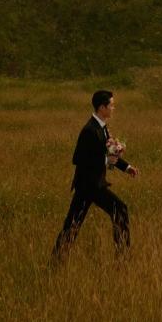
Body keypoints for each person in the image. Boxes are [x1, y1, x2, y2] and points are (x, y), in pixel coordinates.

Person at [52, 89, 137, 264]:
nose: (113, 108)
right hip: (89, 186)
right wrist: (105, 159)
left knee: (72, 225)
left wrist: (126, 167)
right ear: (102, 107)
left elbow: (109, 154)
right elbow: (78, 158)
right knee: (120, 210)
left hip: (92, 185)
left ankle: (55, 262)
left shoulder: (102, 128)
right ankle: (123, 259)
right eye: (111, 105)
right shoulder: (90, 130)